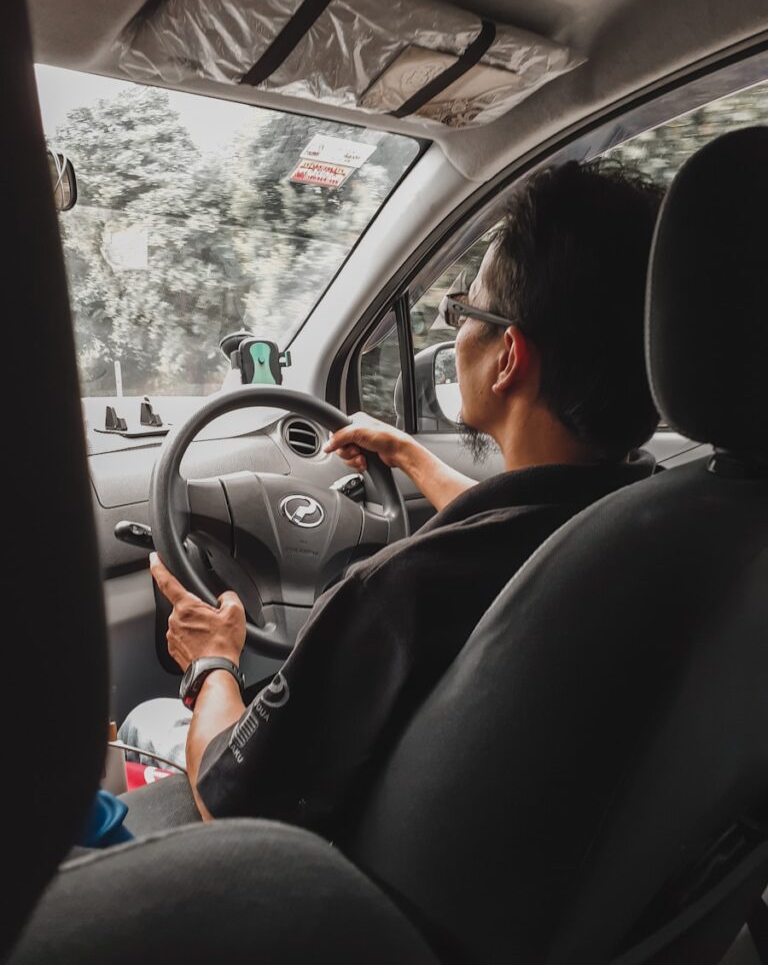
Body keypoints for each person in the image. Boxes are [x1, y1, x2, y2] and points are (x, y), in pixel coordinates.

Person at [120, 159, 663, 836]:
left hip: (343, 896)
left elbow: (231, 794)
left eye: (462, 309)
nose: (452, 329)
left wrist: (212, 660)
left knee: (147, 721)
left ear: (508, 358)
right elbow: (525, 525)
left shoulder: (402, 592)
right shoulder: (654, 519)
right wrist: (406, 454)